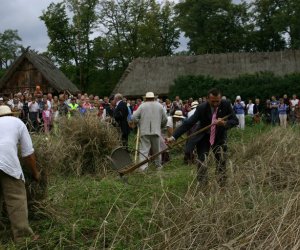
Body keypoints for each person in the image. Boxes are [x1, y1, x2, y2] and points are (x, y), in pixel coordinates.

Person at [167, 88, 238, 187]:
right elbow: (188, 123)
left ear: (221, 98)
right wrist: (173, 137)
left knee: (221, 160)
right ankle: (202, 185)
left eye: (218, 101)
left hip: (219, 137)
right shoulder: (201, 108)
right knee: (202, 160)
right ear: (208, 99)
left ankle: (222, 184)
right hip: (204, 137)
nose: (216, 103)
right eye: (213, 101)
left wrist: (224, 123)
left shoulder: (226, 104)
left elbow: (235, 121)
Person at [0, 105, 40, 242]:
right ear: (11, 115)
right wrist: (35, 173)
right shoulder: (17, 122)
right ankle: (23, 237)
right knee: (16, 197)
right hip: (6, 163)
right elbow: (28, 154)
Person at [132, 92, 168, 171]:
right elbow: (165, 119)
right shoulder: (160, 106)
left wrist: (140, 123)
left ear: (146, 98)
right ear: (154, 98)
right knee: (157, 150)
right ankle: (158, 166)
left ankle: (143, 168)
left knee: (144, 150)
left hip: (144, 131)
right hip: (156, 131)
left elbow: (134, 117)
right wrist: (160, 126)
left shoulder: (142, 106)